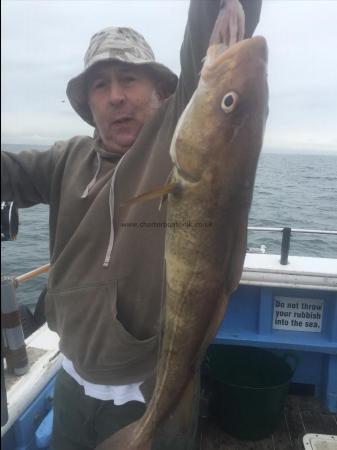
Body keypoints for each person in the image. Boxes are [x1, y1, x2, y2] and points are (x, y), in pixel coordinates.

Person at [1, 1, 262, 448]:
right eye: (100, 85)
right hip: (72, 381)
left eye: (129, 79)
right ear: (88, 103)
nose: (115, 95)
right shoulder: (66, 159)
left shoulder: (175, 141)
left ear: (161, 90)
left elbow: (210, 43)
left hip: (147, 392)